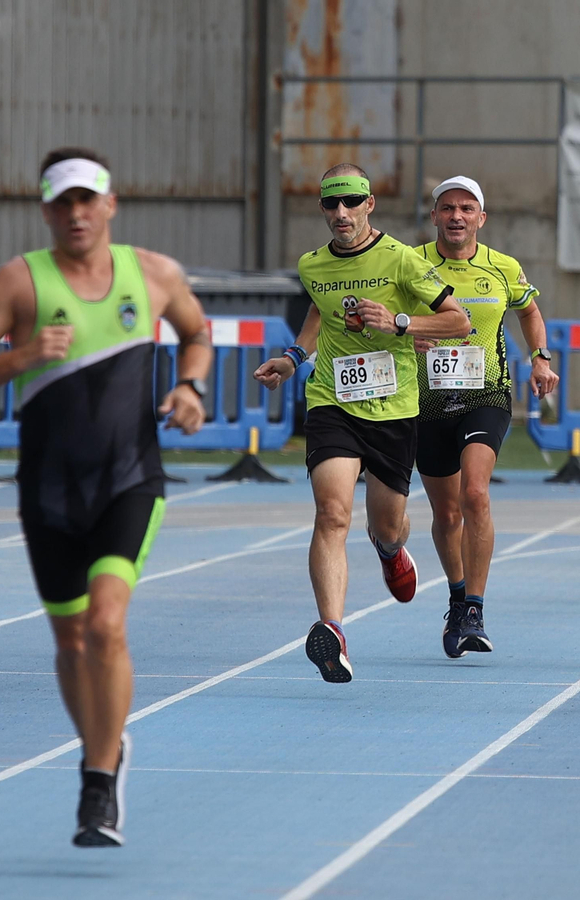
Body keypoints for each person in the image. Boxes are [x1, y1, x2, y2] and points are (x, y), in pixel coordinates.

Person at [0, 147, 212, 847]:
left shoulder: (153, 274)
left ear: (110, 205)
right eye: (62, 203)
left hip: (130, 479)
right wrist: (22, 357)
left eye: (87, 200)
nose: (76, 214)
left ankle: (99, 777)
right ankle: (103, 749)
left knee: (106, 625)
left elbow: (197, 331)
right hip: (49, 488)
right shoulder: (18, 283)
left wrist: (192, 387)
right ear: (45, 212)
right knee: (69, 639)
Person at [253, 164, 470, 683]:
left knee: (385, 523)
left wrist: (398, 321)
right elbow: (319, 316)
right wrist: (291, 358)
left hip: (394, 407)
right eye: (332, 204)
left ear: (370, 203)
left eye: (351, 202)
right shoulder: (312, 265)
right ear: (323, 209)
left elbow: (458, 320)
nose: (341, 213)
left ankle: (391, 549)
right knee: (331, 513)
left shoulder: (400, 259)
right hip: (332, 399)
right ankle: (333, 631)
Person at [410, 176, 559, 657]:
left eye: (466, 208)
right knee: (445, 511)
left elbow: (529, 311)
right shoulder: (409, 264)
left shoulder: (503, 267)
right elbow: (384, 317)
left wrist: (540, 357)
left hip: (486, 394)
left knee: (475, 493)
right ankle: (456, 594)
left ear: (481, 218)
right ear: (434, 216)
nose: (457, 216)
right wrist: (404, 336)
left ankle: (474, 608)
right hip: (425, 400)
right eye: (447, 208)